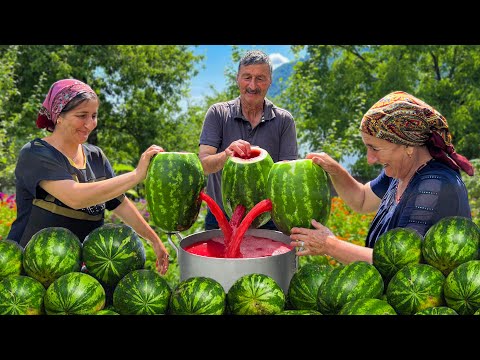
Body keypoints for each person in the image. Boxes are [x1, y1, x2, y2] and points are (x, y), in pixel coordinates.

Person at [290, 90, 474, 264]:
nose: (370, 159)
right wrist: (335, 171)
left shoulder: (434, 187)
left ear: (408, 145)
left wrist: (330, 245)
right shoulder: (400, 172)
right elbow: (361, 199)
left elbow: (400, 263)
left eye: (375, 148)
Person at [7, 79, 169, 274]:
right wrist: (135, 175)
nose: (90, 124)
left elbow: (120, 203)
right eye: (82, 115)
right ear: (59, 116)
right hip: (29, 268)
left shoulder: (95, 156)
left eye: (94, 115)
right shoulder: (36, 153)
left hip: (76, 274)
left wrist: (154, 240)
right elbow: (74, 197)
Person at [199, 49, 298, 230]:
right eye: (247, 77)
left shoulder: (284, 120)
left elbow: (287, 177)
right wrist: (226, 155)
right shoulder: (218, 113)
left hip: (268, 222)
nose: (253, 85)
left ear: (270, 81)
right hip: (220, 220)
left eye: (260, 78)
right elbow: (204, 165)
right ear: (237, 78)